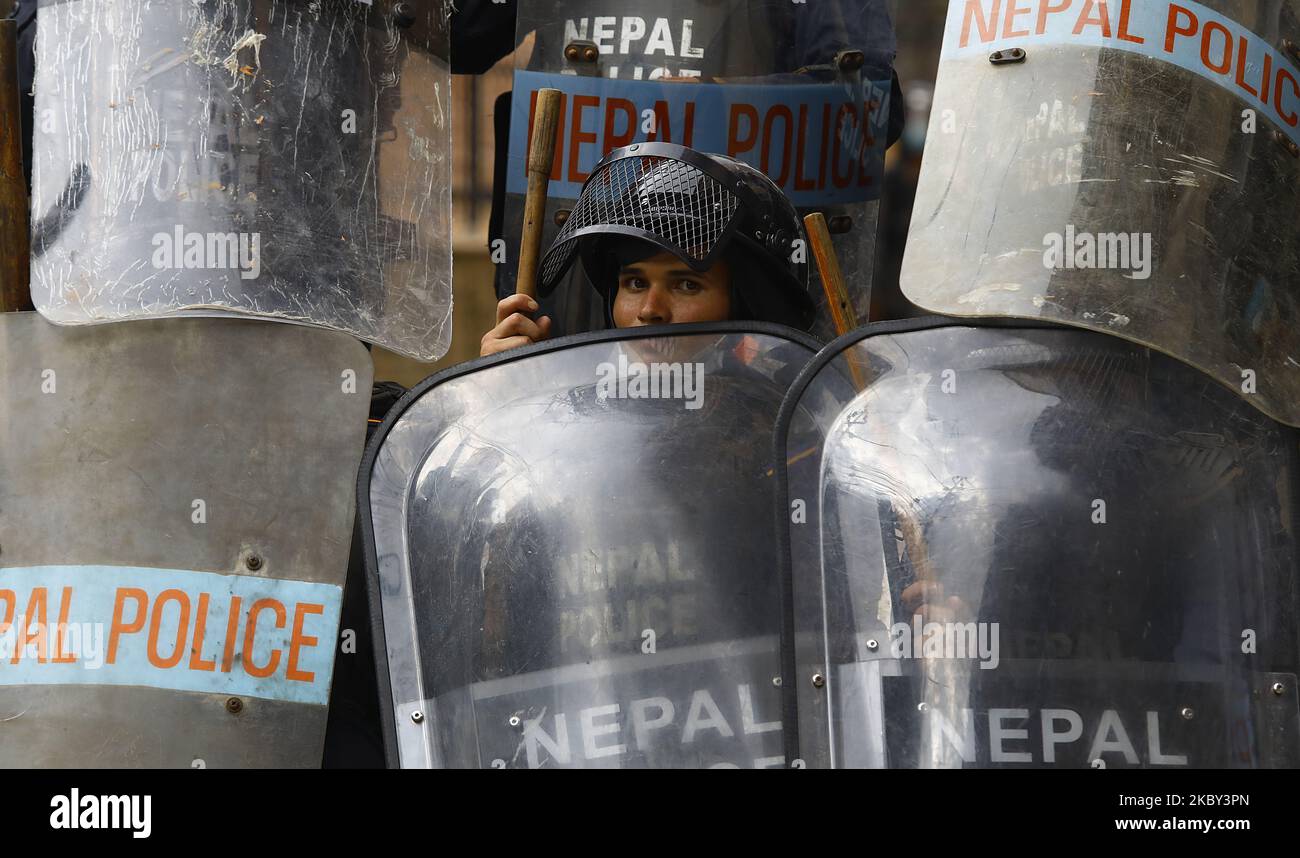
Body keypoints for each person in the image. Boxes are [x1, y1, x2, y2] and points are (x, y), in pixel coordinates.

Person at [481, 141, 816, 356]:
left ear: (747, 306)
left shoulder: (796, 433)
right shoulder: (568, 416)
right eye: (636, 283)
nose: (650, 310)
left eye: (687, 284)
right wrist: (506, 395)